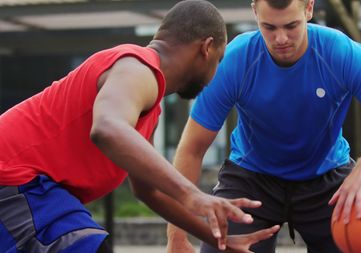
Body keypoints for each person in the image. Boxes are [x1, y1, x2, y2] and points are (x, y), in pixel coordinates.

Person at [0, 1, 281, 252]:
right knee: (84, 244)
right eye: (219, 59)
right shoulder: (137, 66)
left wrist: (221, 240)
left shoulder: (148, 102)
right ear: (206, 48)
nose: (216, 72)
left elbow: (149, 190)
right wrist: (194, 195)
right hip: (15, 181)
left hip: (27, 189)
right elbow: (107, 128)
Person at [166, 0, 361, 252]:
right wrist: (176, 237)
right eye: (269, 27)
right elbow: (192, 149)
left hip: (327, 177)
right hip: (252, 178)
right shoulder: (236, 61)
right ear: (255, 12)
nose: (281, 38)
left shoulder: (340, 52)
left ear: (309, 8)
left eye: (291, 26)